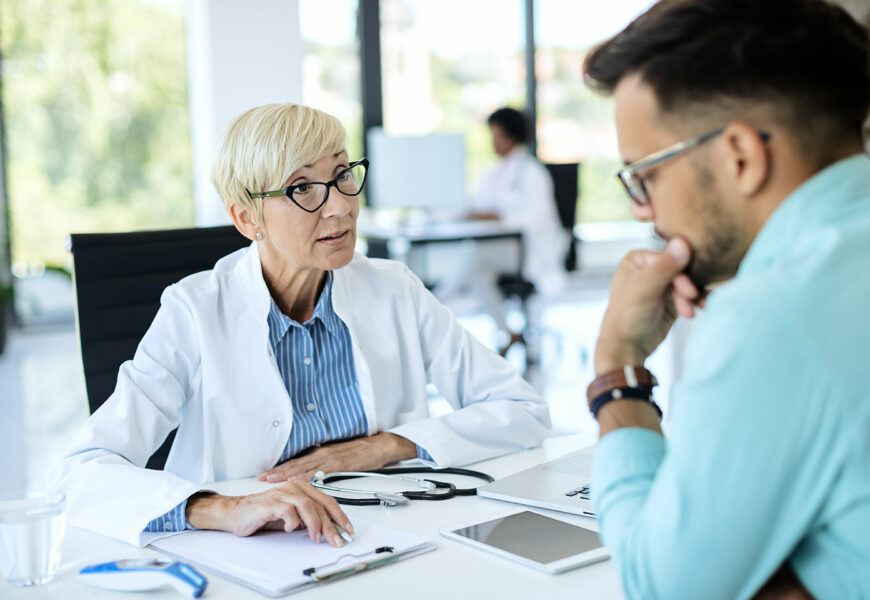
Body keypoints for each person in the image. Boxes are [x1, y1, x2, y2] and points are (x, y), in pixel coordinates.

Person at [56, 103, 550, 548]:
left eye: (342, 175)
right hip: (246, 556)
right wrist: (222, 508)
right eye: (302, 188)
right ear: (248, 219)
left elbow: (523, 409)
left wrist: (381, 448)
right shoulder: (195, 309)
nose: (339, 206)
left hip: (388, 537)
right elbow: (82, 471)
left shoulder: (394, 287)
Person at [581, 0, 870, 598]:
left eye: (645, 174)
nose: (643, 210)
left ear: (741, 155)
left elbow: (663, 587)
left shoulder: (774, 315)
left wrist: (618, 373)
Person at [437, 107, 567, 353]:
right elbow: (475, 204)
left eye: (497, 136)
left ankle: (434, 305)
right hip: (503, 249)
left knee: (474, 256)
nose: (493, 143)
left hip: (529, 250)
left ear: (511, 137)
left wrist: (498, 217)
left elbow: (534, 219)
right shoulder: (494, 173)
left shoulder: (532, 173)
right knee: (477, 272)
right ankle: (508, 332)